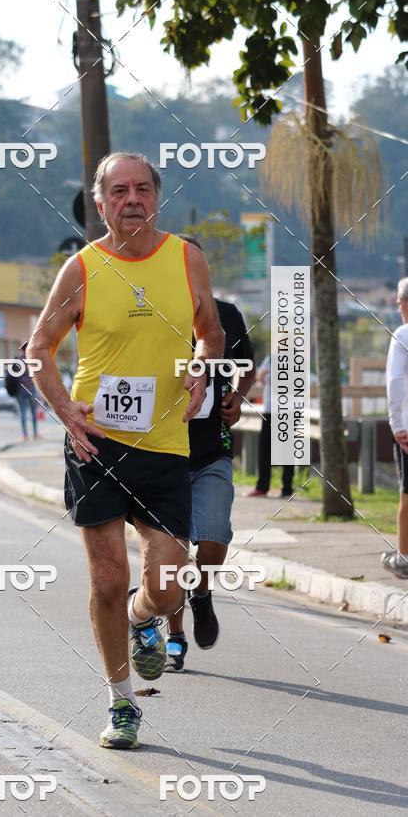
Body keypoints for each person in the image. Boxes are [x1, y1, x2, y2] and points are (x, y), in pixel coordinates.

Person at [28, 152, 223, 749]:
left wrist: (202, 366)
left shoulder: (186, 258)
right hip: (97, 445)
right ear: (101, 203)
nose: (131, 199)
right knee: (109, 580)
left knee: (167, 589)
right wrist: (65, 410)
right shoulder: (82, 269)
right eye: (119, 191)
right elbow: (39, 348)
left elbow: (211, 332)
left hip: (164, 448)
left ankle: (144, 619)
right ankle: (121, 703)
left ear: (156, 199)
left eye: (142, 189)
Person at [165, 235, 256, 671]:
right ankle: (175, 637)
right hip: (163, 453)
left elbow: (247, 366)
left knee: (214, 539)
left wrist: (237, 397)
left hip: (212, 449)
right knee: (169, 552)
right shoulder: (154, 317)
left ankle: (201, 593)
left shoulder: (227, 315)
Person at [382, 277, 408, 579]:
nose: (399, 308)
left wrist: (397, 425)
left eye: (400, 303)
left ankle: (403, 556)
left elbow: (396, 382)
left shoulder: (403, 334)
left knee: (406, 493)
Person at [246, 354, 294, 498]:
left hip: (272, 411)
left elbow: (260, 377)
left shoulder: (272, 358)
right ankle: (287, 489)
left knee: (265, 449)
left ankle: (262, 487)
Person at [15, 343, 40, 441]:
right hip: (31, 389)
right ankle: (35, 434)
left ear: (22, 349)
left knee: (23, 413)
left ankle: (25, 435)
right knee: (34, 413)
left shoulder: (18, 360)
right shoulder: (32, 359)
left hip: (21, 390)